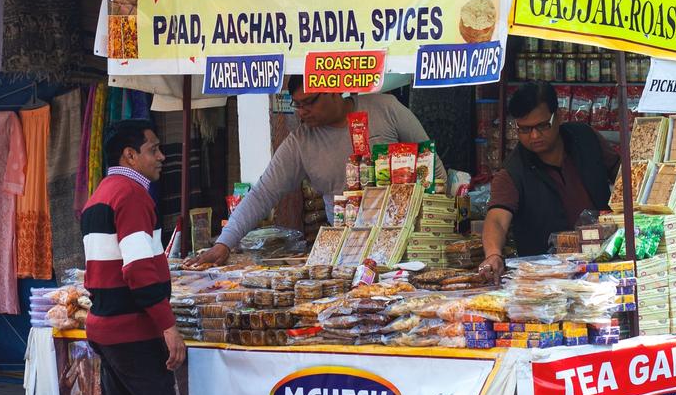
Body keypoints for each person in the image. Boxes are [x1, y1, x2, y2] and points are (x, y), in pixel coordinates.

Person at [81, 118, 257, 395]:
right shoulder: (133, 196)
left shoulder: (99, 197)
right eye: (154, 149)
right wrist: (167, 326)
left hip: (104, 327)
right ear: (129, 156)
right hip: (133, 331)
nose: (162, 156)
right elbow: (140, 273)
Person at [193, 79, 447, 267]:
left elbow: (433, 165)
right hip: (348, 253)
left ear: (335, 89)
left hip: (410, 243)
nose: (302, 111)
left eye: (310, 102)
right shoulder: (301, 142)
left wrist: (438, 219)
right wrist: (224, 243)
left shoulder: (385, 108)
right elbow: (263, 193)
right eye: (298, 105)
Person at [480, 81, 618, 280]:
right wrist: (493, 255)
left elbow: (622, 174)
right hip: (549, 279)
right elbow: (497, 219)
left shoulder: (586, 138)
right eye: (525, 129)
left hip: (606, 262)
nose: (534, 135)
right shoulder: (512, 171)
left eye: (542, 125)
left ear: (558, 116)